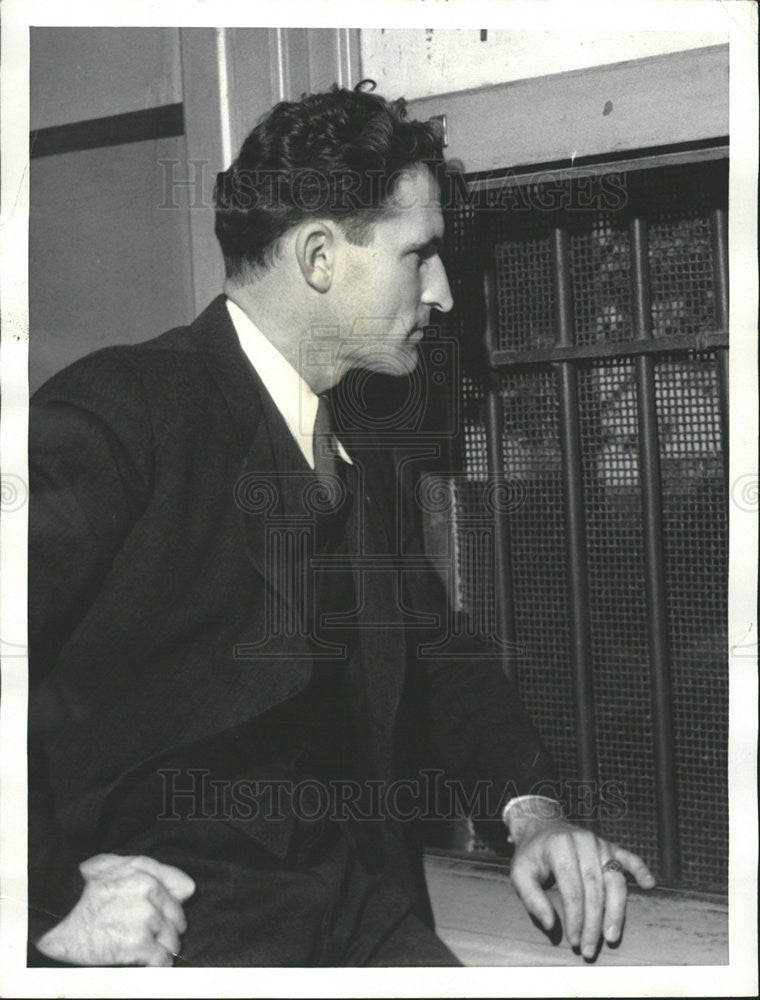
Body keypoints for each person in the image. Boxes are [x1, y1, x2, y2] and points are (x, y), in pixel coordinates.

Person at [28, 82, 655, 968]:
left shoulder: (360, 452)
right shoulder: (120, 412)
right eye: (418, 255)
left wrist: (533, 815)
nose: (440, 292)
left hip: (357, 916)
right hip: (167, 937)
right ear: (321, 257)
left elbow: (439, 655)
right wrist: (45, 900)